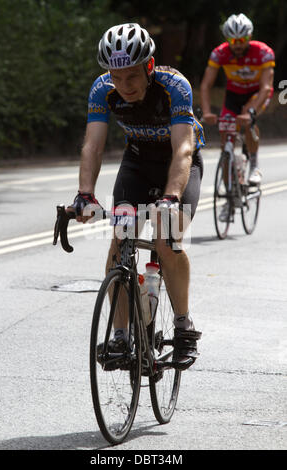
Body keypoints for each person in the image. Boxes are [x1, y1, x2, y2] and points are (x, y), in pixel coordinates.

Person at [69, 23, 205, 369]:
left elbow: (184, 148)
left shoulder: (174, 86)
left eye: (131, 77)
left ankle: (183, 324)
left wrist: (171, 199)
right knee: (120, 240)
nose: (123, 86)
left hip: (179, 164)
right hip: (139, 162)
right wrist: (85, 194)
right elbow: (93, 145)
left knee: (165, 237)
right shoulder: (103, 89)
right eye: (116, 77)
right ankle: (120, 334)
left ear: (149, 67)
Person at [200, 13, 275, 192]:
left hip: (257, 94)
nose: (239, 44)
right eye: (234, 41)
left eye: (242, 40)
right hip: (234, 95)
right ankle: (230, 195)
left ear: (249, 37)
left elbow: (266, 87)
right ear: (227, 40)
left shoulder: (264, 53)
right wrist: (207, 111)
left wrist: (251, 112)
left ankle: (254, 164)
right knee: (226, 138)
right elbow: (206, 85)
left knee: (247, 119)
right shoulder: (219, 53)